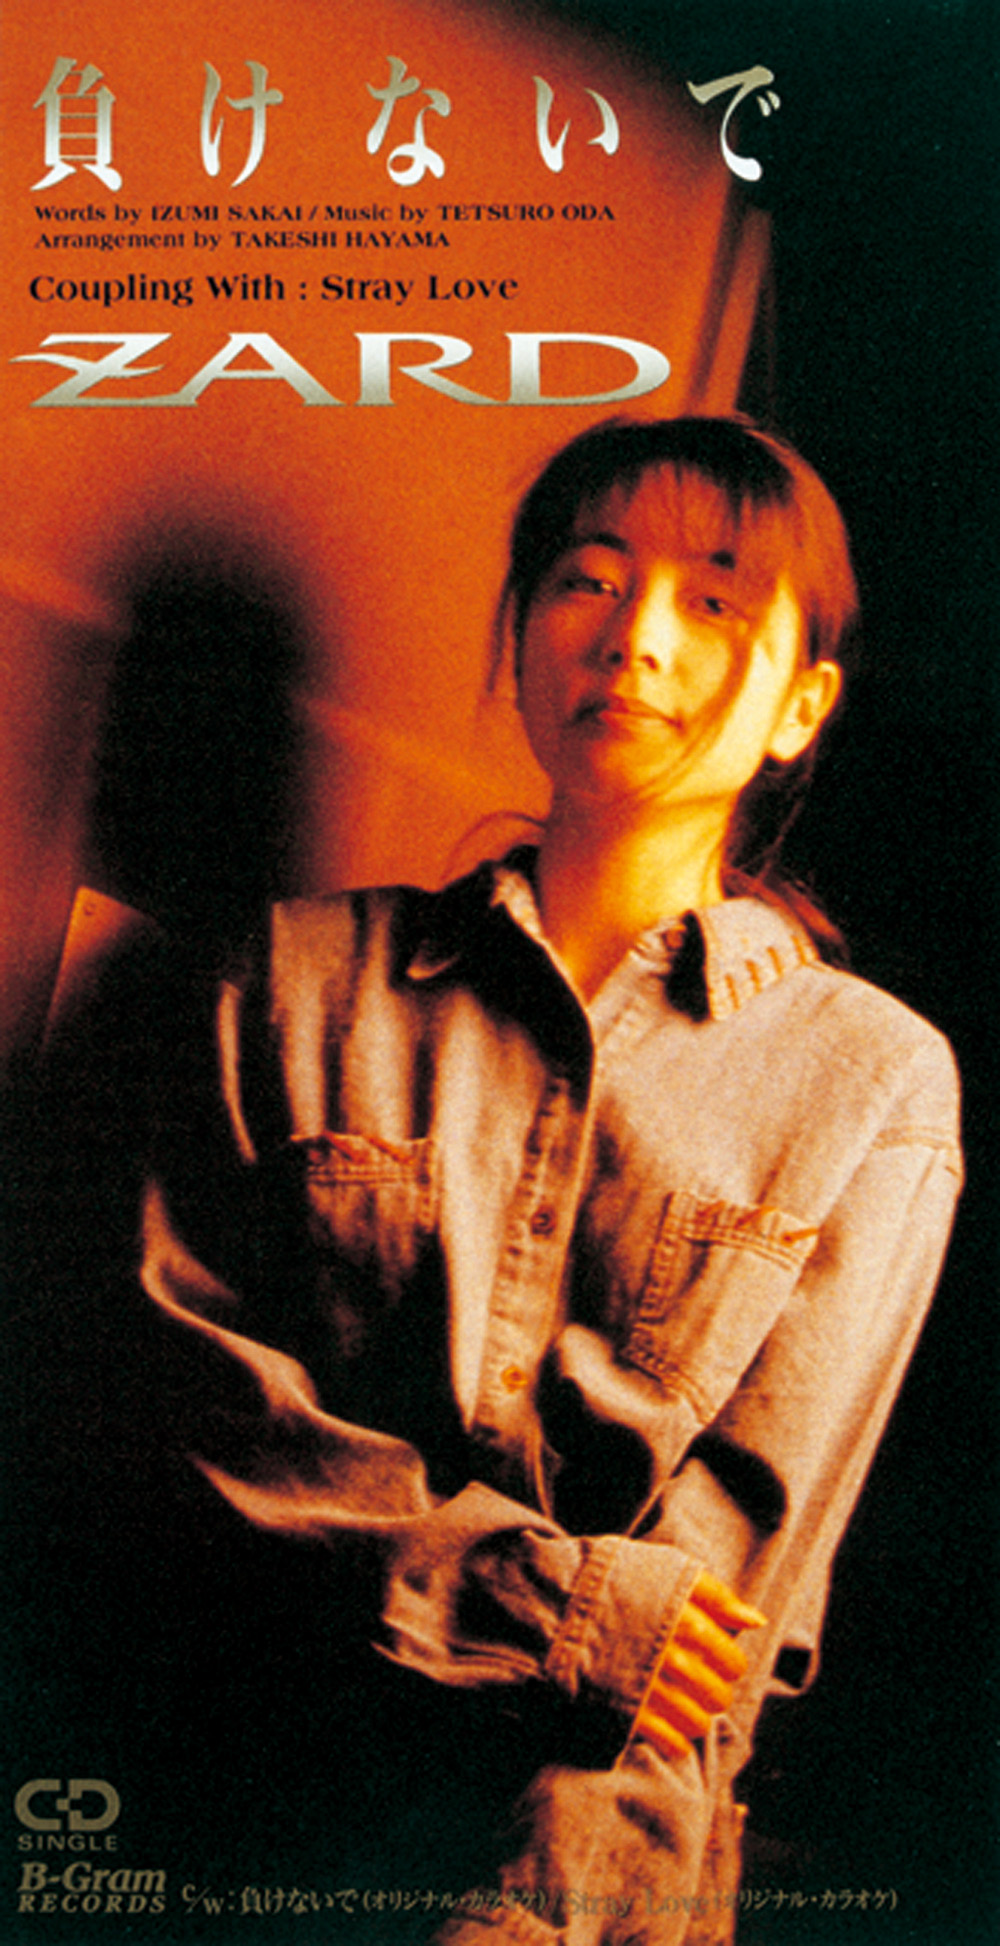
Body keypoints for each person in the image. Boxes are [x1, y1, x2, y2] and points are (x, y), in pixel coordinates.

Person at [56, 418, 962, 1941]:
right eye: (588, 579)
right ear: (524, 634)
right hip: (237, 1829)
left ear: (800, 705)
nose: (636, 636)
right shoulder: (287, 982)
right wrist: (560, 1608)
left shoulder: (871, 1083)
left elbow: (714, 1631)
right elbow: (187, 1411)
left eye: (715, 601)